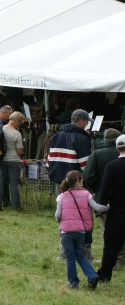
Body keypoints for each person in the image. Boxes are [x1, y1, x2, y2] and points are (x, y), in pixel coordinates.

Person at [48, 109, 93, 259]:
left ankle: (64, 252)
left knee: (64, 217)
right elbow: (86, 166)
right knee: (82, 218)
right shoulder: (82, 138)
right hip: (76, 183)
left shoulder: (56, 136)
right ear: (81, 122)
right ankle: (84, 254)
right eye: (86, 122)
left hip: (59, 182)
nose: (87, 125)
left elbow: (50, 161)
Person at [56, 170, 106, 289]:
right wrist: (108, 207)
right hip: (81, 231)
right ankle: (92, 275)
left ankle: (73, 283)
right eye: (82, 180)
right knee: (80, 255)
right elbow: (97, 207)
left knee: (70, 258)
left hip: (66, 232)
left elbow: (57, 215)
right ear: (78, 181)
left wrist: (61, 222)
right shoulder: (87, 195)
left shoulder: (61, 197)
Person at [84, 128, 124, 267]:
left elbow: (88, 177)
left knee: (107, 230)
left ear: (105, 140)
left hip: (104, 198)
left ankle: (111, 260)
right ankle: (121, 259)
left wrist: (96, 191)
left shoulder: (96, 154)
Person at [97, 134, 125, 283]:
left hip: (117, 212)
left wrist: (103, 209)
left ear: (117, 148)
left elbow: (105, 190)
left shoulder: (112, 166)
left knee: (111, 247)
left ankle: (105, 275)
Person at [0, 112, 26, 211]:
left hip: (0, 159)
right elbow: (19, 151)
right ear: (16, 122)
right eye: (19, 123)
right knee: (13, 183)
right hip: (13, 160)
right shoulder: (17, 134)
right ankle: (16, 206)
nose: (19, 125)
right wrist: (22, 153)